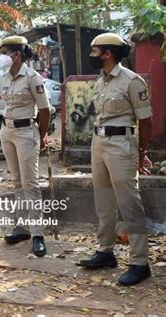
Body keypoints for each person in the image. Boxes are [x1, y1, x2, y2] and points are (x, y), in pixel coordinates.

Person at [78, 33, 153, 286]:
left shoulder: (132, 81)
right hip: (98, 143)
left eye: (95, 51)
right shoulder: (101, 81)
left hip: (122, 145)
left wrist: (141, 152)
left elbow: (145, 121)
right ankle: (105, 251)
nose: (92, 56)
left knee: (129, 204)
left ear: (108, 54)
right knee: (104, 202)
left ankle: (140, 262)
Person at [0, 36, 51, 257]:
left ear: (16, 55)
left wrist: (39, 135)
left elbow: (45, 110)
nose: (1, 57)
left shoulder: (32, 78)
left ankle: (38, 234)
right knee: (16, 182)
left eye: (3, 52)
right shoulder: (6, 77)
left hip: (25, 132)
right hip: (7, 131)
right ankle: (21, 228)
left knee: (31, 184)